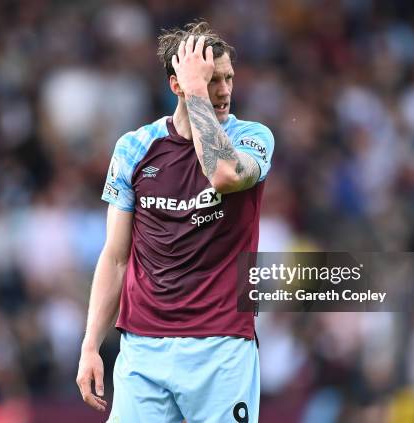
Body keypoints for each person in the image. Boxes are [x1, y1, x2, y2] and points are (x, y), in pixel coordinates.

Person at [76, 21, 274, 423]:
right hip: (143, 349)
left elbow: (223, 174)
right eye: (210, 79)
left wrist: (197, 90)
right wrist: (90, 345)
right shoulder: (134, 148)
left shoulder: (253, 138)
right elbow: (115, 258)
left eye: (228, 78)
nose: (223, 90)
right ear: (175, 85)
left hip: (221, 347)